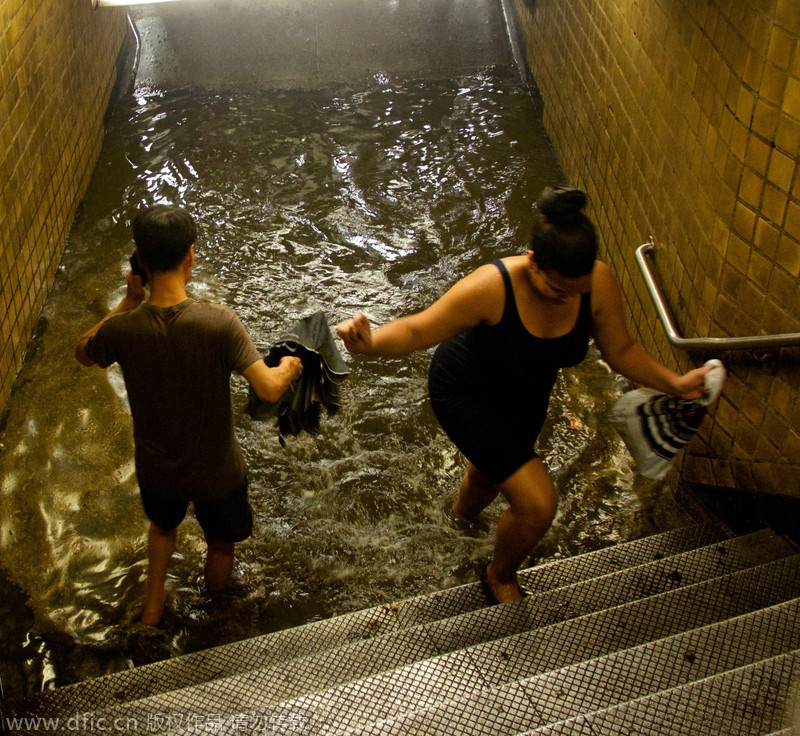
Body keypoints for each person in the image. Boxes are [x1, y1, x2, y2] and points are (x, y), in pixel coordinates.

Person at [337, 186, 709, 605]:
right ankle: (498, 574)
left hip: (526, 395)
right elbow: (419, 329)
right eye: (557, 289)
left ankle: (459, 518)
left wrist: (674, 383)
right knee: (536, 504)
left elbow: (620, 350)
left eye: (577, 291)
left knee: (493, 473)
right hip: (465, 390)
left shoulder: (597, 282)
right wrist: (369, 343)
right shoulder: (492, 286)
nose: (568, 298)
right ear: (533, 263)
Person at [75, 205, 302, 625]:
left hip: (158, 469)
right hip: (217, 471)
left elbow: (82, 351)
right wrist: (289, 367)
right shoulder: (218, 323)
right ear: (190, 256)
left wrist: (128, 300)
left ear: (140, 262)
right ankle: (217, 603)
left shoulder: (122, 329)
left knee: (162, 529)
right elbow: (268, 388)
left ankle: (152, 609)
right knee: (220, 543)